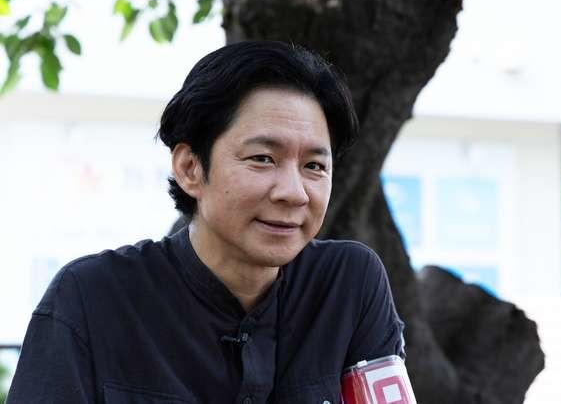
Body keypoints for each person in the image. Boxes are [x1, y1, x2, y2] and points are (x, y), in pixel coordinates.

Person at [7, 41, 406, 403]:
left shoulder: (348, 284)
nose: (294, 192)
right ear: (190, 168)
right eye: (262, 158)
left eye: (314, 166)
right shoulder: (91, 298)